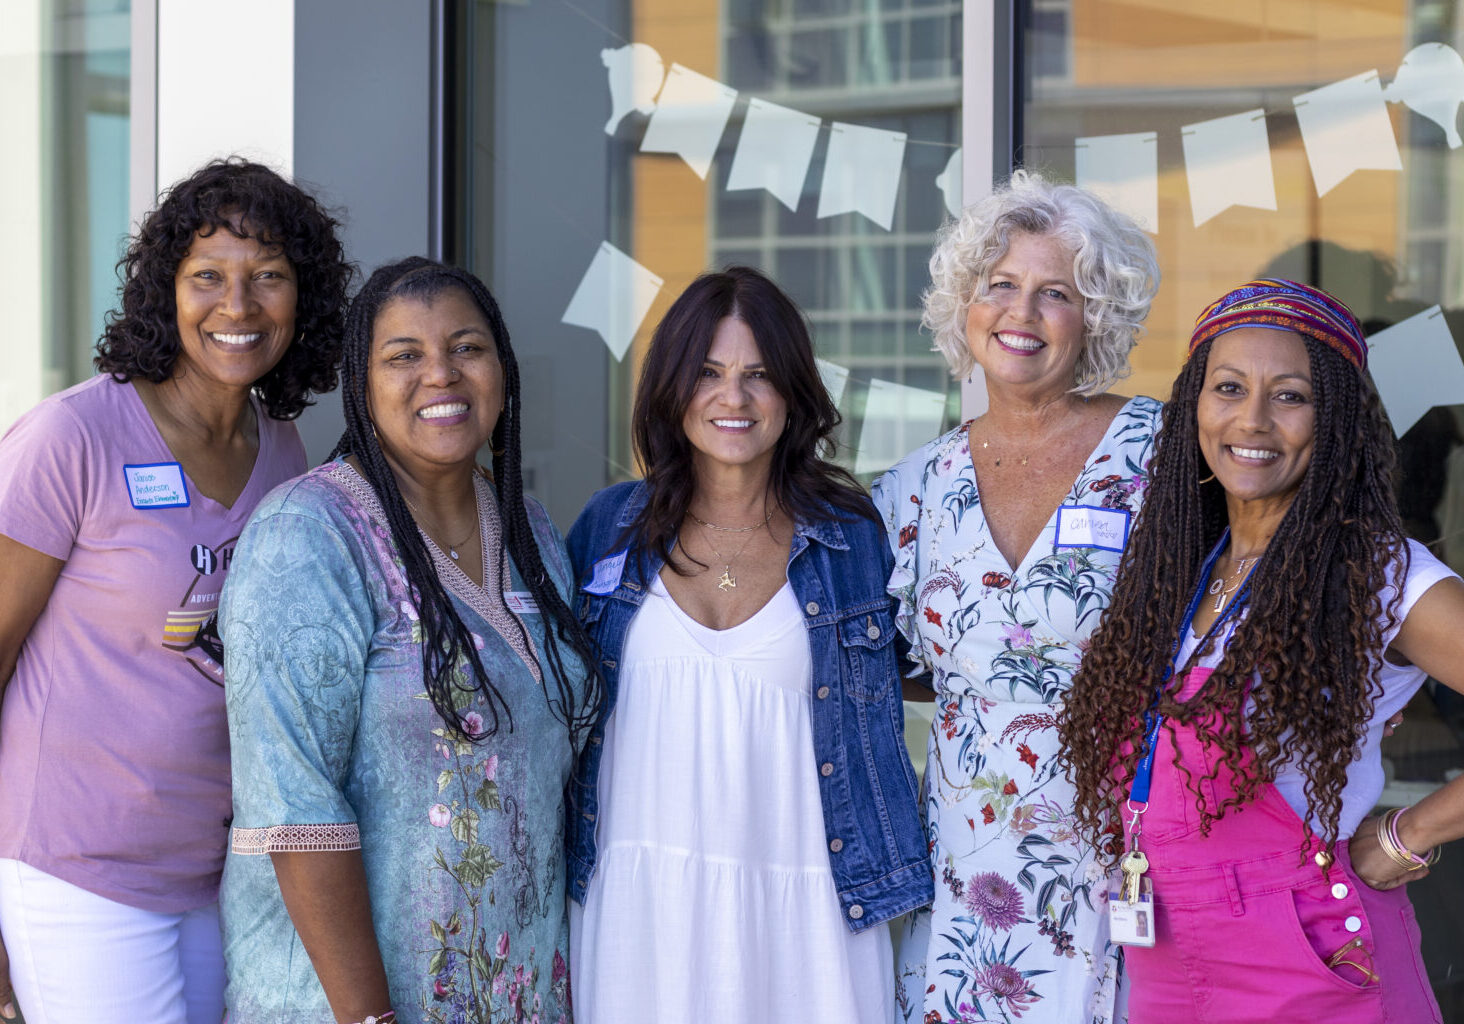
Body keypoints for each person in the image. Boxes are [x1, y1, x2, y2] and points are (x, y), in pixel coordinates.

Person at [0, 158, 349, 1024]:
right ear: (166, 291)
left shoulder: (284, 452)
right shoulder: (74, 435)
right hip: (76, 868)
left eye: (268, 276)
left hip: (215, 871)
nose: (239, 306)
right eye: (208, 277)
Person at [1060, 278, 1461, 1023]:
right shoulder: (1178, 568)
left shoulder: (1377, 575)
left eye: (1290, 396)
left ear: (1334, 419)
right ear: (1196, 408)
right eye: (1229, 388)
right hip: (1168, 967)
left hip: (1315, 967)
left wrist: (1410, 834)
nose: (1252, 420)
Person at [219, 258, 598, 1024]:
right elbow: (295, 811)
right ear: (361, 385)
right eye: (404, 356)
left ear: (502, 369)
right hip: (344, 1004)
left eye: (467, 347)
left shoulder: (532, 534)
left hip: (520, 993)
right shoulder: (309, 535)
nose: (441, 375)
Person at [566, 266, 930, 1023]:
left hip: (811, 911)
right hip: (637, 910)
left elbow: (941, 670)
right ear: (672, 386)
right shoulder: (606, 529)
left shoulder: (853, 538)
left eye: (759, 375)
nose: (733, 398)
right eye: (708, 372)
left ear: (793, 394)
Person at [871, 170, 1161, 1024]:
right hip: (965, 865)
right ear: (966, 305)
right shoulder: (913, 488)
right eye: (1000, 285)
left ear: (1095, 316)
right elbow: (897, 669)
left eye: (1055, 293)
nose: (1020, 313)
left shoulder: (1165, 452)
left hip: (1128, 862)